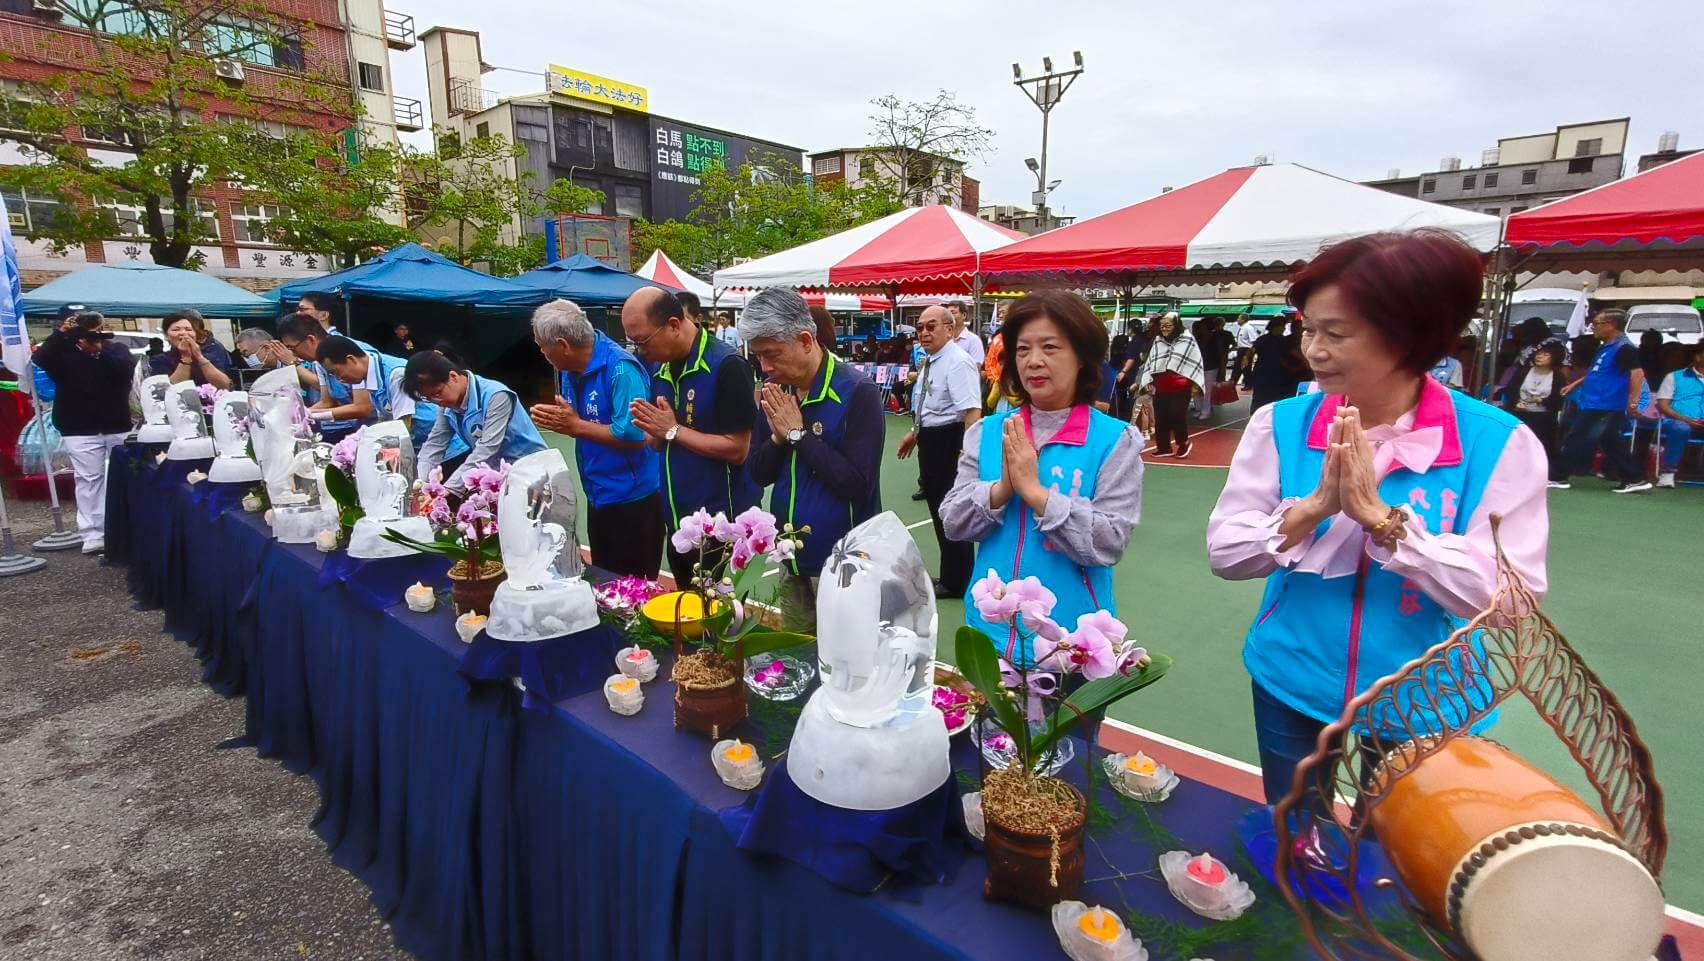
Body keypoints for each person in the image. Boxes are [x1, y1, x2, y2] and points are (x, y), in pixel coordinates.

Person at [1206, 229, 1549, 809]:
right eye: (1309, 329)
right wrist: (1314, 508)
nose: (1313, 350)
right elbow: (1226, 553)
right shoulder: (1278, 424)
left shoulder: (1497, 443)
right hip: (1292, 675)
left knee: (1403, 844)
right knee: (1295, 829)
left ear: (1411, 337)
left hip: (1428, 698)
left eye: (1336, 334)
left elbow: (1511, 600)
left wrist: (1385, 523)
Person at [940, 290, 1144, 665]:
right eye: (1022, 350)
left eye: (1050, 347)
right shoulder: (987, 432)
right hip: (989, 635)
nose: (1033, 361)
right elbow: (953, 523)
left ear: (1082, 356)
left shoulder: (1115, 440)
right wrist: (1002, 489)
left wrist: (1036, 494)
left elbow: (1109, 542)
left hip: (1073, 643)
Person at [741, 288, 883, 583]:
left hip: (843, 565)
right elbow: (758, 473)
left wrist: (798, 436)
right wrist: (779, 439)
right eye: (758, 356)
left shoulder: (858, 391)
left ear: (806, 341)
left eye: (772, 354)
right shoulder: (776, 390)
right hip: (789, 560)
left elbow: (858, 485)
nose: (765, 367)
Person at [621, 287, 758, 585]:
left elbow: (738, 449)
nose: (639, 351)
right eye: (633, 343)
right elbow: (655, 441)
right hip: (675, 516)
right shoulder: (660, 368)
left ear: (673, 325)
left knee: (715, 607)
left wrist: (673, 430)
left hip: (717, 522)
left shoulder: (727, 365)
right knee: (686, 603)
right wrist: (654, 428)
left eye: (642, 341)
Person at [527, 298, 663, 578]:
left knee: (634, 587)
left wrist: (576, 426)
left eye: (542, 346)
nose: (541, 352)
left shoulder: (621, 369)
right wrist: (570, 423)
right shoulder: (570, 371)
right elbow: (582, 423)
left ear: (562, 345)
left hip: (632, 500)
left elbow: (635, 433)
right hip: (598, 495)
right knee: (604, 579)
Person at [30, 311, 137, 554]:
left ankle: (130, 528)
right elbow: (41, 359)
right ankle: (93, 533)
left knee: (128, 476)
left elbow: (124, 371)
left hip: (117, 424)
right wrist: (62, 333)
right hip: (78, 427)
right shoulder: (62, 351)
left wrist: (98, 351)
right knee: (88, 479)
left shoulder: (115, 349)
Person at [897, 305, 981, 595]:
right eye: (920, 327)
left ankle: (958, 580)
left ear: (949, 328)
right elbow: (930, 404)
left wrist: (966, 454)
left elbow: (971, 411)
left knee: (951, 509)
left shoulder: (957, 362)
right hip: (932, 438)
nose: (924, 332)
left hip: (949, 440)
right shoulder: (933, 360)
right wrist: (915, 433)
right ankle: (951, 575)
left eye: (931, 326)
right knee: (938, 507)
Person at [403, 350, 547, 495]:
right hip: (498, 477)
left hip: (533, 472)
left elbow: (487, 447)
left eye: (437, 393)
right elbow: (435, 444)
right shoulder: (446, 405)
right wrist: (418, 482)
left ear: (453, 377)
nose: (436, 402)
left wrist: (449, 488)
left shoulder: (496, 396)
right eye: (428, 398)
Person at [1554, 309, 1648, 493]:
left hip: (1605, 403)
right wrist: (1575, 384)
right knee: (1610, 441)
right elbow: (1599, 371)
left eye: (1596, 323)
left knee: (1577, 437)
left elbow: (1637, 374)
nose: (1593, 327)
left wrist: (1633, 401)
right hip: (1596, 401)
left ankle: (1557, 476)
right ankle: (1634, 477)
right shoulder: (1607, 346)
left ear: (1611, 325)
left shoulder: (1624, 348)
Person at [315, 335, 450, 450]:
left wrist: (367, 446)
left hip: (442, 448)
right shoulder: (369, 375)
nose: (339, 379)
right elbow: (384, 420)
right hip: (420, 446)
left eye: (336, 372)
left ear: (351, 359)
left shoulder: (395, 374)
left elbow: (403, 427)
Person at [276, 313, 372, 439]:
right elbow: (327, 402)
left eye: (293, 348)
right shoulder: (320, 361)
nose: (294, 355)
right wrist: (299, 415)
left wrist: (311, 415)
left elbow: (362, 408)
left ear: (311, 339)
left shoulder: (346, 351)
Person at [1495, 342, 1567, 487]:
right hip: (1519, 412)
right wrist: (1516, 403)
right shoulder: (1523, 371)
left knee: (1543, 443)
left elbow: (1557, 400)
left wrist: (1540, 400)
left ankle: (1543, 474)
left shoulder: (1558, 376)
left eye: (1545, 355)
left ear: (1554, 358)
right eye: (1539, 354)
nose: (1540, 356)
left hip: (1543, 416)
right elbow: (1511, 390)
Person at [1136, 312, 1205, 458]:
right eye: (1162, 326)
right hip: (1161, 387)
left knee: (1176, 414)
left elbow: (1195, 361)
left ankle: (1183, 443)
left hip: (1181, 387)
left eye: (1168, 325)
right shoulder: (1158, 340)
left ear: (1176, 325)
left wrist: (1194, 384)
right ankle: (1164, 447)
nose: (1164, 329)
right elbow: (1152, 362)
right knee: (1161, 418)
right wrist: (1148, 380)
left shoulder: (1188, 339)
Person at [1653, 344, 1704, 488]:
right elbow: (1663, 405)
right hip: (1677, 421)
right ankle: (1667, 473)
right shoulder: (1675, 376)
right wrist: (1685, 419)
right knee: (1681, 428)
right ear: (1698, 357)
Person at [148, 309, 233, 389]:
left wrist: (199, 357)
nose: (183, 333)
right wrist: (186, 357)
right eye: (176, 329)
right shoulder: (159, 360)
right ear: (166, 335)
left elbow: (225, 385)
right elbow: (170, 390)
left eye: (188, 329)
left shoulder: (211, 351)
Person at [1190, 318, 1224, 419]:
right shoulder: (1196, 338)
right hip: (1197, 367)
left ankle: (1205, 410)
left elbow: (1221, 354)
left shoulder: (1215, 338)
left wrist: (1222, 368)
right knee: (1196, 389)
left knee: (1207, 391)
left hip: (1210, 367)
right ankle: (1199, 408)